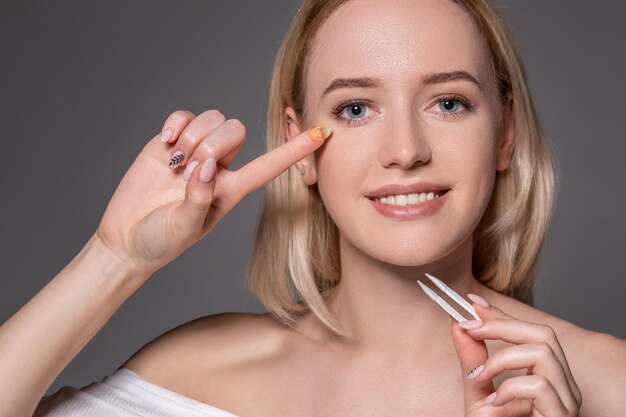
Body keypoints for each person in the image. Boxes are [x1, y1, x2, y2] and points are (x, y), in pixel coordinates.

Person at [1, 0, 625, 416]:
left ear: (505, 133)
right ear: (302, 147)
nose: (406, 151)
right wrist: (113, 259)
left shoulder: (608, 383)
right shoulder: (195, 375)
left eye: (450, 102)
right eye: (355, 108)